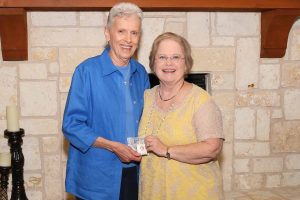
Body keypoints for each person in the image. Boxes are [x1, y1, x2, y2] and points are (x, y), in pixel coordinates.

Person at [62, 2, 150, 200]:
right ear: (107, 33)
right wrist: (113, 146)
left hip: (134, 173)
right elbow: (71, 125)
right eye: (121, 31)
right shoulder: (86, 72)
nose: (128, 39)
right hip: (96, 177)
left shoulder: (141, 73)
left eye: (134, 33)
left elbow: (147, 119)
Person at [138, 32, 224, 200]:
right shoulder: (146, 97)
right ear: (153, 63)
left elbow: (212, 148)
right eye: (162, 57)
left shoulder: (200, 100)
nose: (168, 63)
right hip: (152, 192)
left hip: (195, 193)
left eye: (176, 57)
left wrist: (166, 150)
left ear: (186, 64)